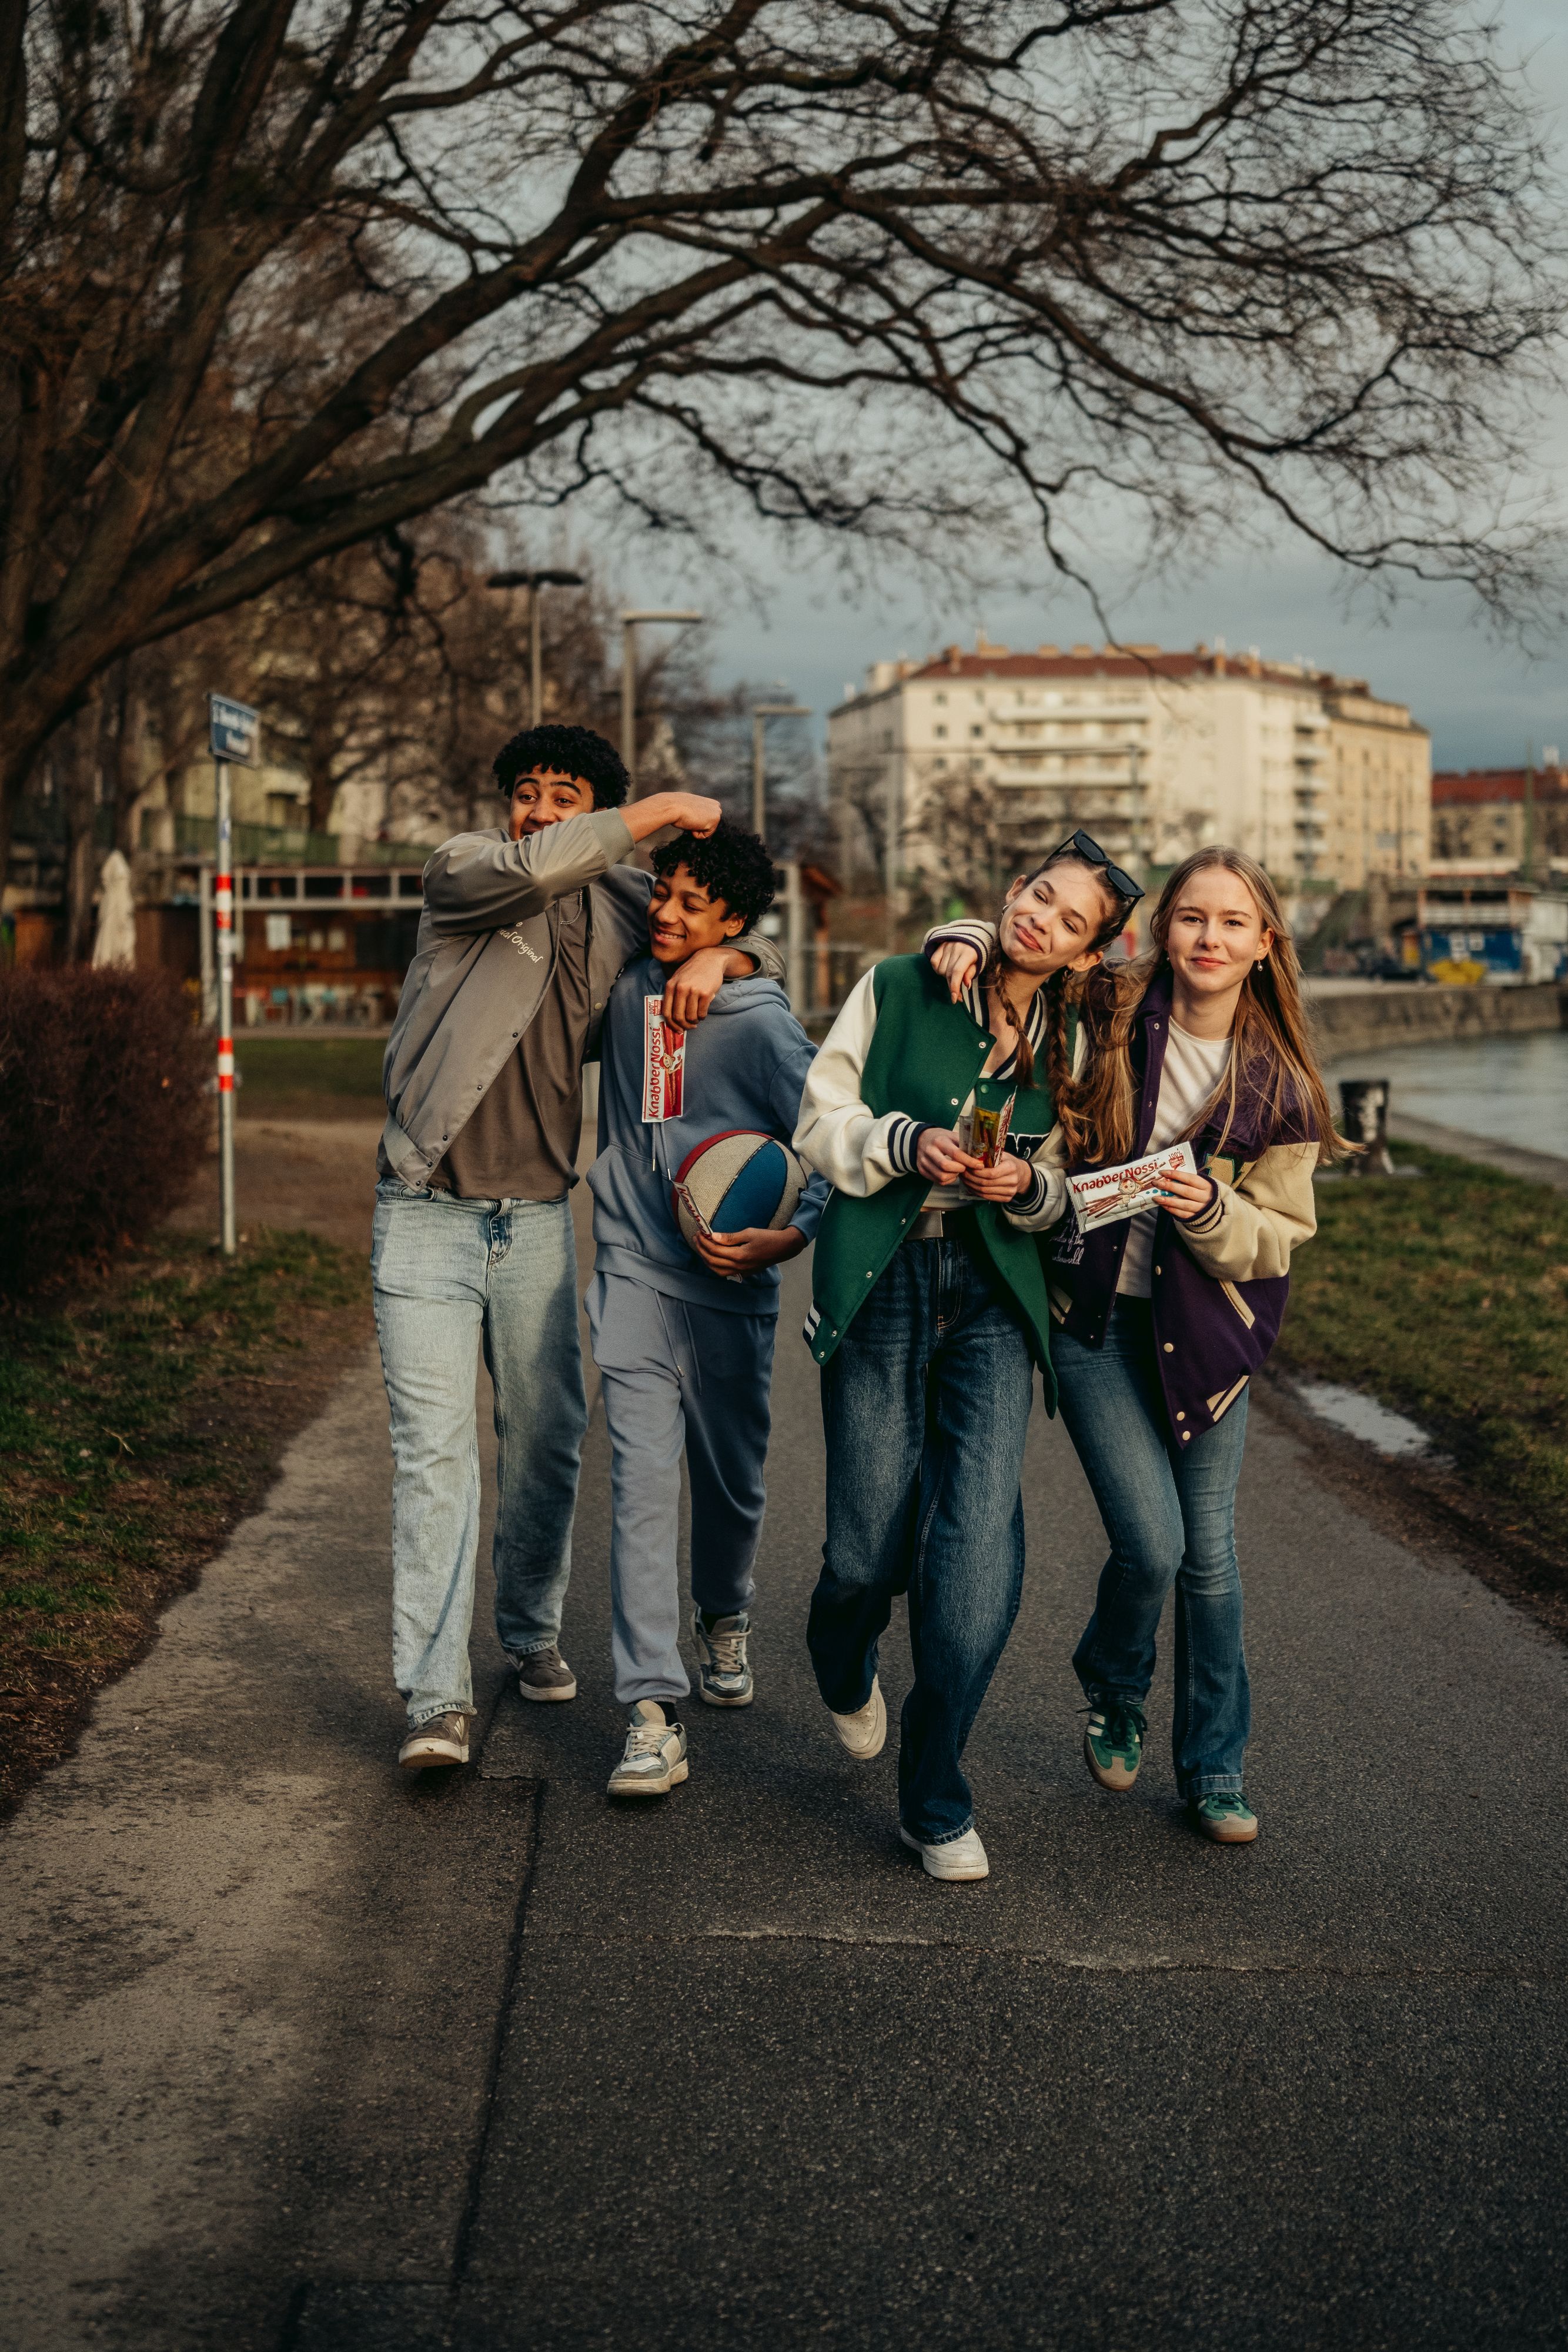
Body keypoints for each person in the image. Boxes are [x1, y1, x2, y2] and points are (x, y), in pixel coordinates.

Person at [373, 724, 784, 1770]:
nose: (542, 809)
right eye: (529, 790)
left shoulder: (624, 905)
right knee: (436, 1457)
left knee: (549, 1441)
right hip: (425, 1210)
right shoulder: (466, 869)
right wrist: (661, 812)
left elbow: (732, 920)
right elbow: (538, 866)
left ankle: (527, 1631)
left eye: (567, 795)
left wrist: (730, 955)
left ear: (596, 809)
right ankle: (435, 1700)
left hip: (536, 1219)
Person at [928, 846, 1333, 1844]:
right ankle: (1115, 1684)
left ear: (1264, 942)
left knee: (1211, 1559)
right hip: (1097, 1322)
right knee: (1154, 1544)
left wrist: (1211, 1211)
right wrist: (966, 932)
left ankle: (1216, 1769)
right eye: (1192, 917)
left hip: (1209, 1339)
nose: (1209, 938)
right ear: (1163, 928)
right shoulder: (1106, 1011)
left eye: (1232, 923)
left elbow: (1281, 1235)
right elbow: (1025, 958)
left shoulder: (1281, 1082)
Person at [793, 838, 1141, 1882]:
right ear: (1010, 892)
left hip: (993, 1291)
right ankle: (841, 1653)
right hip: (886, 1277)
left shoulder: (1079, 1040)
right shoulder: (901, 983)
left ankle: (935, 1791)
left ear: (1086, 955)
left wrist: (1028, 1191)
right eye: (1040, 895)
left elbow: (1077, 1185)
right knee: (865, 1552)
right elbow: (820, 1121)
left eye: (1072, 921)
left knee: (976, 1545)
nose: (1044, 920)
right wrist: (902, 1143)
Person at [586, 818, 830, 1798]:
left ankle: (724, 1613)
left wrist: (795, 1233)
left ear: (733, 921)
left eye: (695, 905)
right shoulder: (629, 989)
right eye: (664, 892)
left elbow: (831, 1141)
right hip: (632, 1267)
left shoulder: (764, 1026)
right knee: (641, 1486)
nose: (667, 912)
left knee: (731, 1486)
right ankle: (651, 1711)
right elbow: (579, 870)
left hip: (733, 1285)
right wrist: (723, 943)